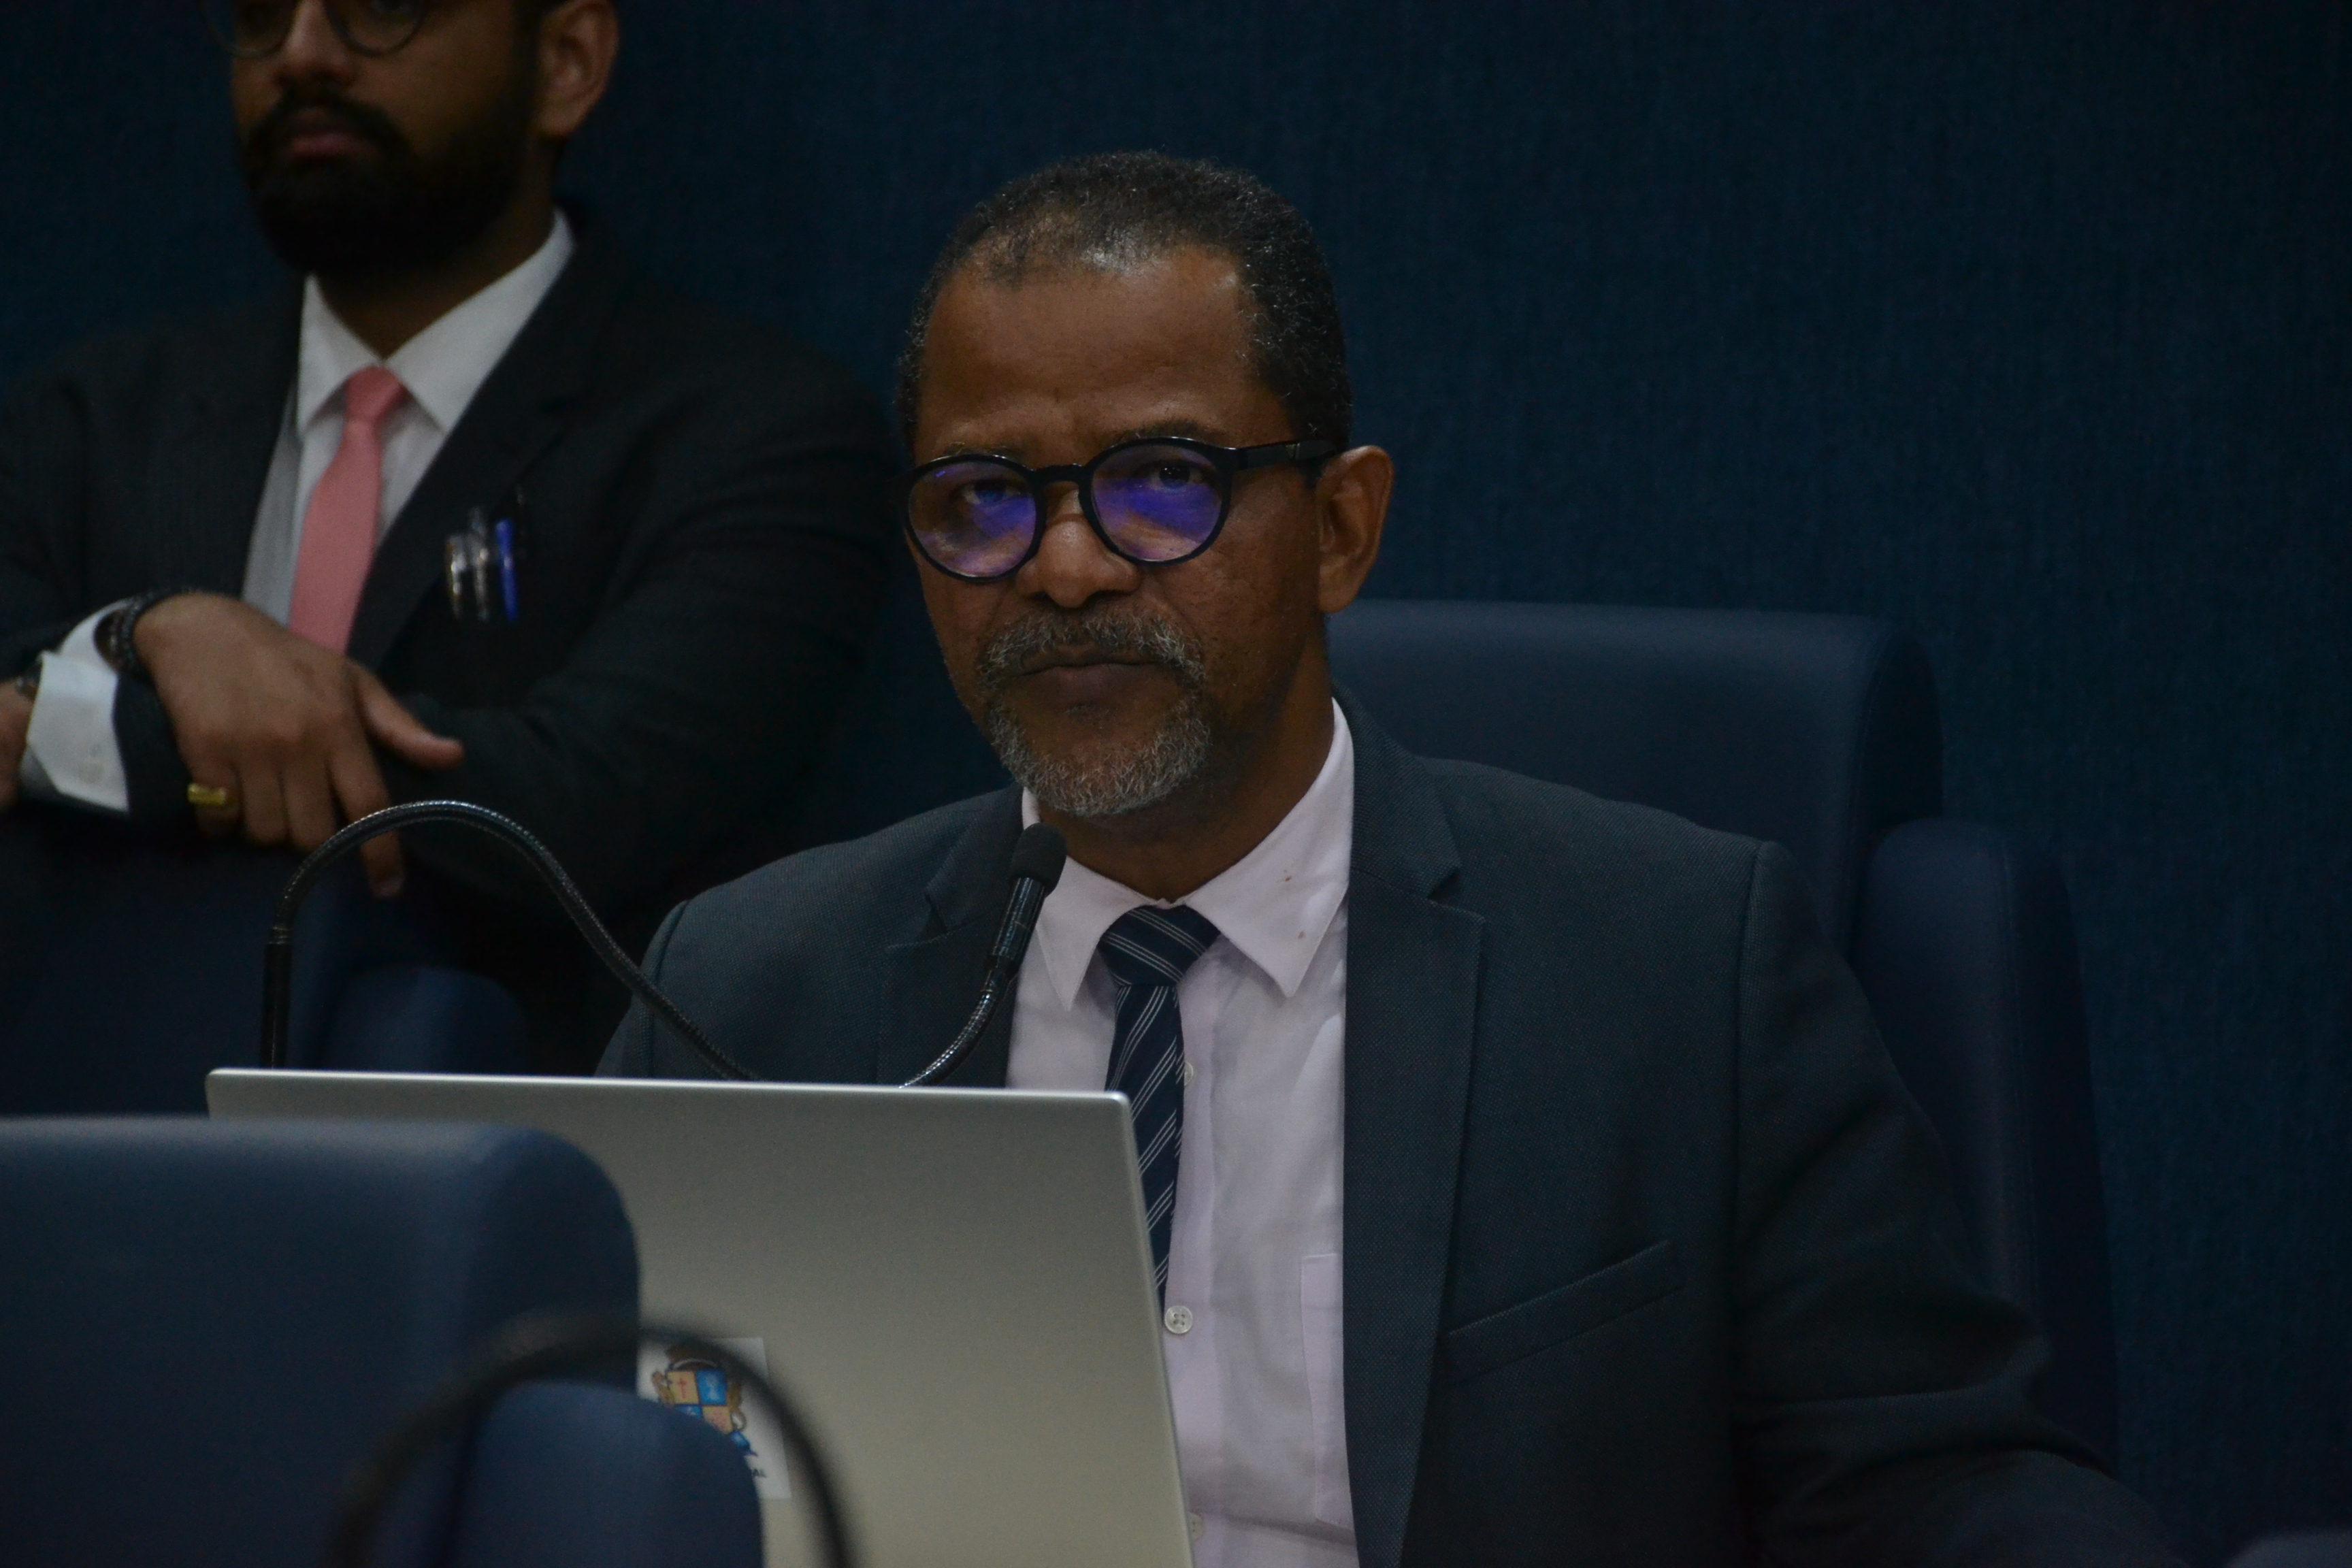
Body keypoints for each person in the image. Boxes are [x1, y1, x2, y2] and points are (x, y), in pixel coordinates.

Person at [600, 152, 2177, 1566]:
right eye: (983, 501)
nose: (1064, 567)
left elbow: (1932, 1486)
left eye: (1162, 484)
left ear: (1342, 530)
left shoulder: (1683, 974)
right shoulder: (742, 991)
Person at [0, 0, 893, 1088]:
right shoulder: (81, 421)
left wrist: (71, 722)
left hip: (542, 1144)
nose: (302, 55)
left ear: (565, 61)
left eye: (382, 9)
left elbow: (571, 804)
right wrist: (153, 633)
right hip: (80, 1132)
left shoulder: (760, 432)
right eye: (264, 13)